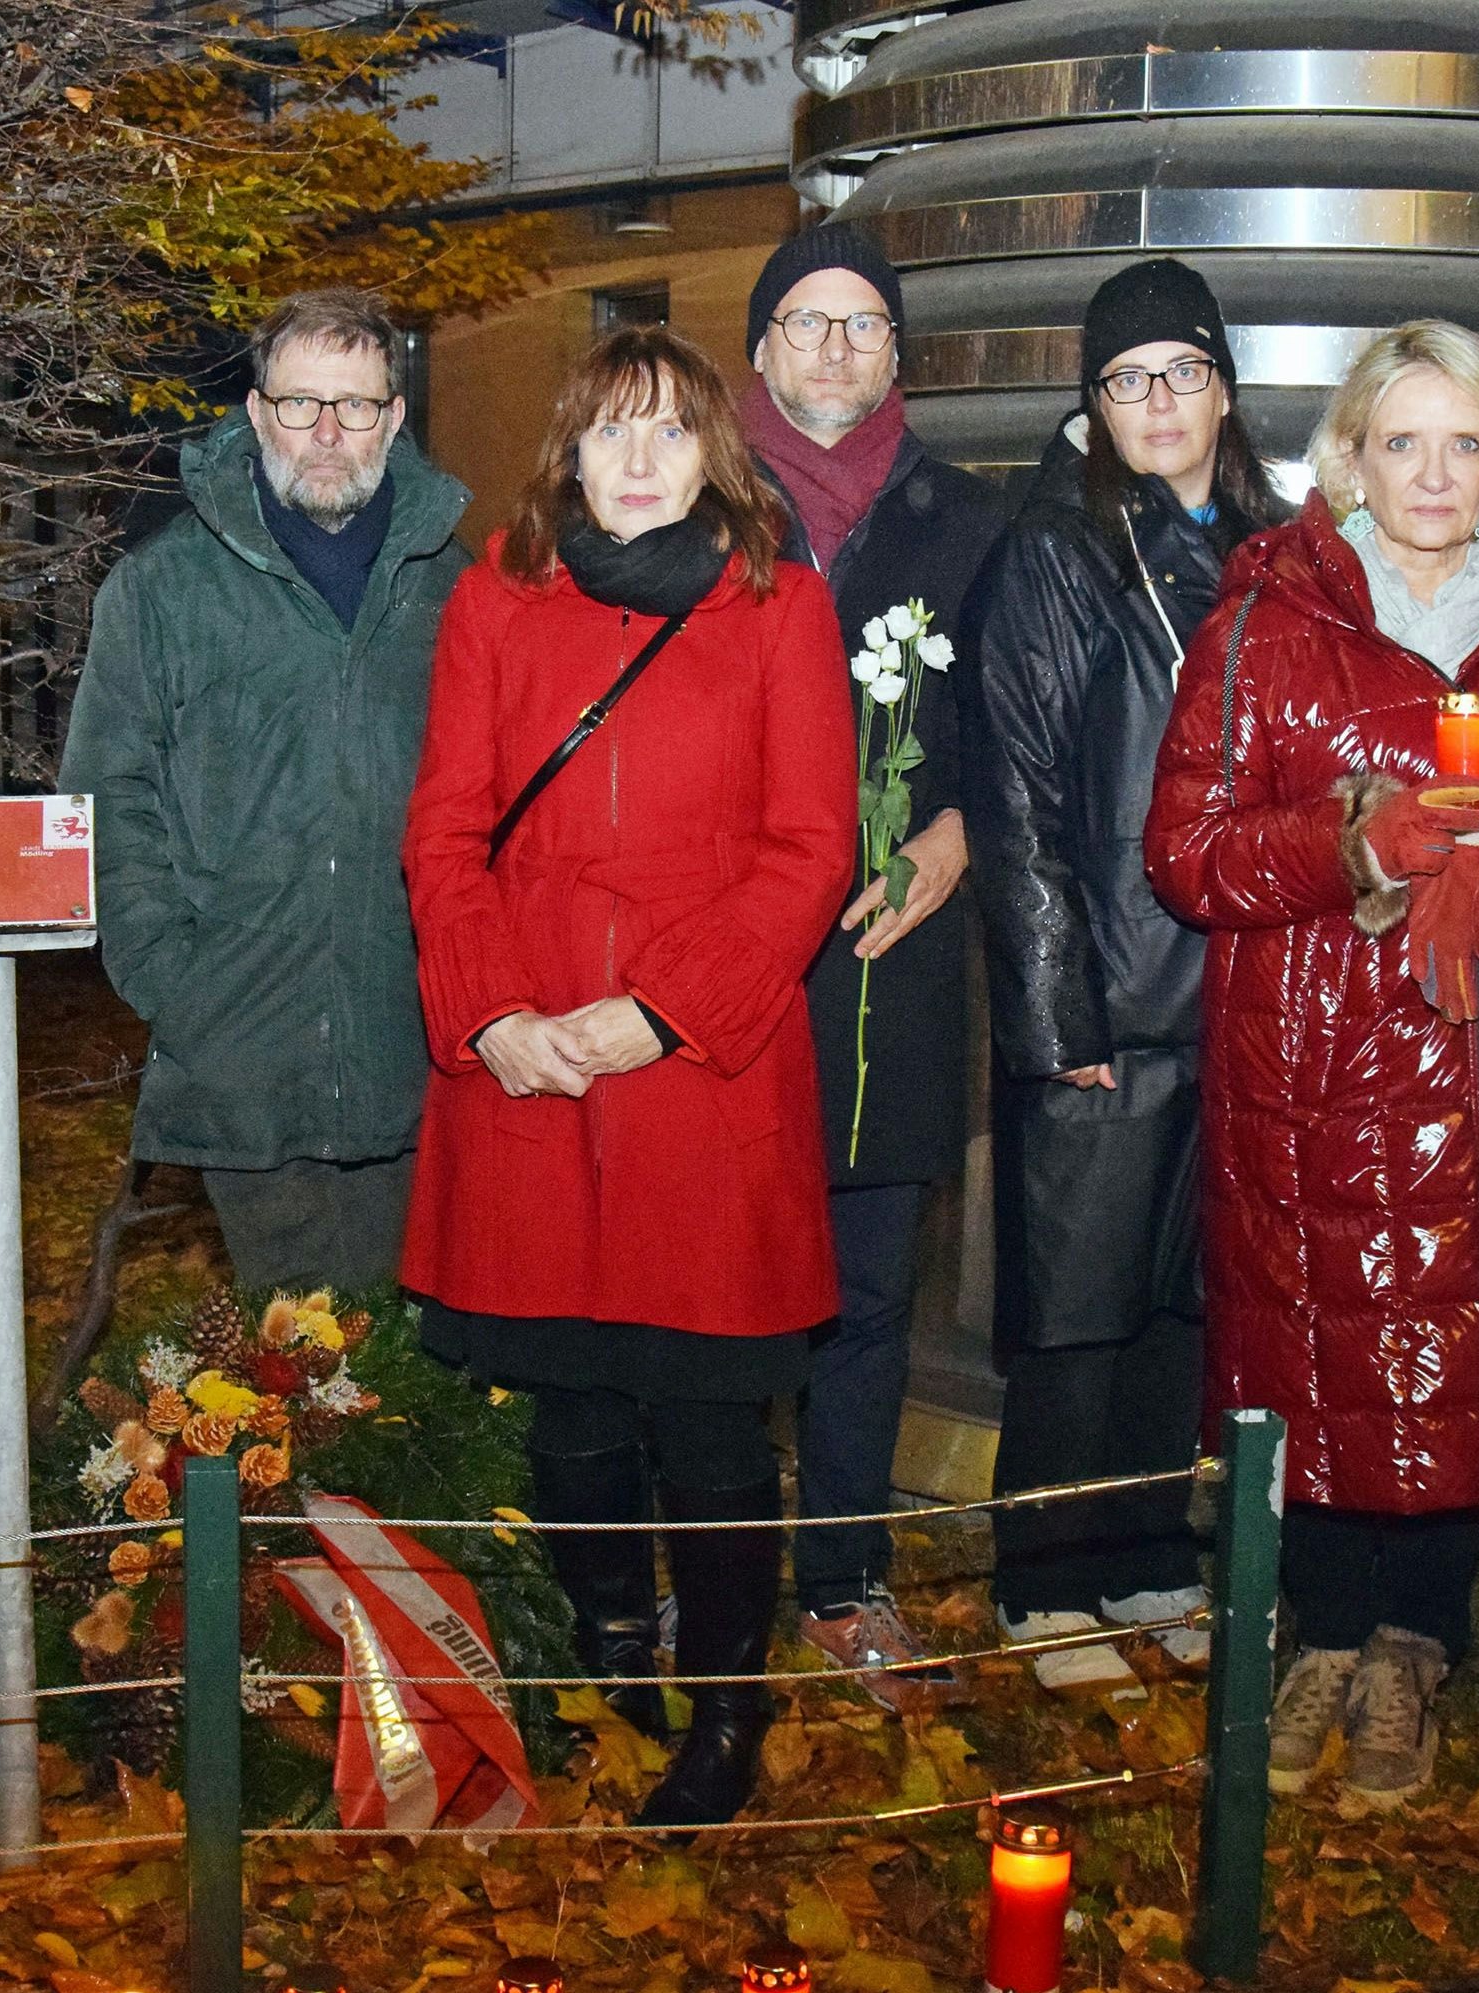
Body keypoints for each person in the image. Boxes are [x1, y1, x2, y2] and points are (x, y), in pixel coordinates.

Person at [402, 326, 853, 1824]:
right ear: (570, 454)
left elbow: (809, 848)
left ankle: (725, 1708)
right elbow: (444, 833)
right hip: (528, 1067)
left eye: (668, 430)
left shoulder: (779, 609)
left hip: (698, 1079)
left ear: (714, 450)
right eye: (611, 432)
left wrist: (664, 1009)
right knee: (574, 1400)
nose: (641, 459)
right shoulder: (493, 602)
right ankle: (612, 1661)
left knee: (711, 1416)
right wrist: (488, 1017)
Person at [1144, 320, 1479, 1808]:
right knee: (1310, 1337)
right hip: (1308, 1047)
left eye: (1465, 442)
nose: (1433, 472)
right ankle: (1319, 1630)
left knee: (1457, 1335)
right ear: (1351, 458)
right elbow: (1181, 852)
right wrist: (1346, 841)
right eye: (1402, 441)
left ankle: (1413, 1643)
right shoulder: (1259, 624)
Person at [966, 257, 1272, 1696]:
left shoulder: (1273, 543)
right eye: (1125, 379)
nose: (1158, 403)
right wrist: (1050, 1011)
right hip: (1104, 990)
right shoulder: (1052, 549)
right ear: (1089, 403)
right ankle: (1041, 1584)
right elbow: (1016, 791)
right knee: (1076, 1313)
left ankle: (1150, 1555)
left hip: (1235, 992)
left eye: (1182, 373)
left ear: (1224, 388)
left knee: (1181, 1305)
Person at [63, 291, 472, 1293]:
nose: (327, 431)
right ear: (254, 413)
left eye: (356, 405)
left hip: (413, 1048)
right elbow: (106, 800)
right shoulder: (161, 592)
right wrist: (176, 983)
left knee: (411, 1382)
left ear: (396, 417)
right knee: (277, 1383)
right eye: (300, 405)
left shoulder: (457, 589)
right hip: (240, 1053)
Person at [738, 224, 1011, 1704]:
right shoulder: (691, 504)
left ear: (897, 355)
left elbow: (1009, 741)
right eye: (804, 320)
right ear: (759, 346)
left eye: (861, 326)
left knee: (859, 1293)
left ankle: (839, 1583)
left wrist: (957, 835)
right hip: (716, 964)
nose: (833, 349)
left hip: (887, 961)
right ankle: (694, 1578)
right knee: (705, 1287)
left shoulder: (965, 524)